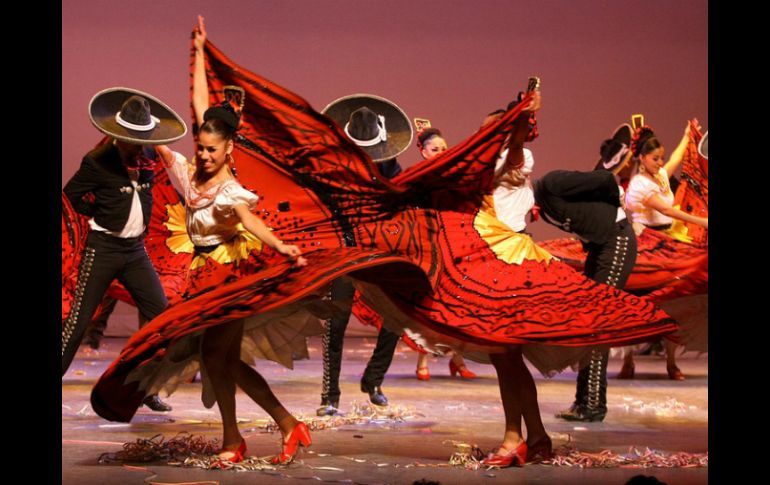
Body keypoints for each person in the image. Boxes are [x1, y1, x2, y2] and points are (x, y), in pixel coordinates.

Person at [62, 86, 187, 412]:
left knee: (161, 319)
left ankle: (145, 388)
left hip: (135, 252)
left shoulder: (148, 157)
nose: (138, 144)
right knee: (77, 324)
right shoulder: (97, 162)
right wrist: (96, 212)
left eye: (142, 138)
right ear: (118, 136)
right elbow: (70, 196)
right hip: (103, 249)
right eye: (133, 139)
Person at [314, 93, 413, 414]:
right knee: (336, 322)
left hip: (379, 248)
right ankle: (329, 396)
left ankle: (374, 378)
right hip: (344, 249)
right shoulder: (334, 168)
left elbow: (400, 203)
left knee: (397, 313)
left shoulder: (391, 166)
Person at [534, 161, 638, 423]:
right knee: (588, 324)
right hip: (602, 245)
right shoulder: (544, 206)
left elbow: (604, 178)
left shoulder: (551, 183)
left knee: (598, 325)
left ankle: (592, 404)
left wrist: (616, 201)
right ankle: (583, 401)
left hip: (617, 241)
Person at [618, 121, 708, 380]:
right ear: (642, 158)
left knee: (674, 301)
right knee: (636, 301)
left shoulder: (658, 177)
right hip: (645, 243)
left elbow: (676, 161)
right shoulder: (639, 184)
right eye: (655, 158)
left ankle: (671, 362)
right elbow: (667, 210)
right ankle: (628, 360)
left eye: (661, 158)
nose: (660, 163)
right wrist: (703, 222)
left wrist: (687, 135)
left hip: (666, 241)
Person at [412, 126, 477, 381]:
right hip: (427, 245)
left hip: (452, 243)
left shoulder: (453, 178)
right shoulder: (417, 178)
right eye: (434, 149)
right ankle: (423, 359)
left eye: (443, 149)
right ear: (423, 152)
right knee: (430, 304)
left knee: (455, 303)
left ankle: (457, 359)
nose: (440, 153)